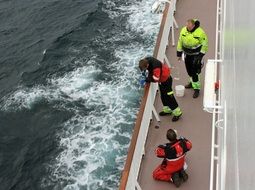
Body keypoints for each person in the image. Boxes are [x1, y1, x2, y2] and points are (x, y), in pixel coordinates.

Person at [139, 57, 182, 122]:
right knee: (163, 96)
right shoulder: (147, 59)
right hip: (162, 82)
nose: (145, 69)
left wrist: (146, 79)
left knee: (169, 97)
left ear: (147, 65)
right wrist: (144, 72)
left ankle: (178, 113)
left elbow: (156, 78)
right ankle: (167, 110)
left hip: (166, 80)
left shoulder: (156, 67)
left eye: (145, 68)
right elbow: (151, 72)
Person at [177, 19, 208, 98]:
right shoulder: (184, 30)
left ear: (194, 25)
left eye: (189, 27)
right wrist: (179, 54)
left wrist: (200, 56)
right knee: (189, 71)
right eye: (187, 26)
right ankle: (191, 83)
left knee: (195, 73)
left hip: (196, 55)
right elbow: (180, 42)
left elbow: (204, 44)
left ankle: (197, 89)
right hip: (187, 55)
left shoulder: (200, 32)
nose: (188, 28)